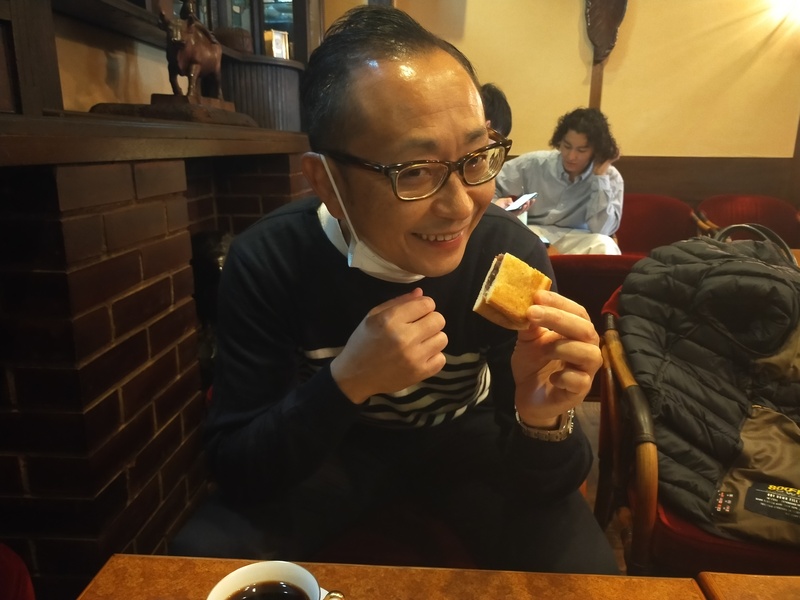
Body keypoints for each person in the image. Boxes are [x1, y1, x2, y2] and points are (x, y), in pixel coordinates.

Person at [170, 5, 619, 575]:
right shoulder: (270, 260)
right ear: (325, 181)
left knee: (587, 574)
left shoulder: (508, 256)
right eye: (414, 170)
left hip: (467, 442)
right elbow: (236, 465)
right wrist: (347, 381)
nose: (460, 206)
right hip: (333, 448)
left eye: (476, 157)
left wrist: (544, 420)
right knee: (198, 560)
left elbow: (545, 485)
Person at [494, 107, 623, 254]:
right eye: (567, 146)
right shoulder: (534, 163)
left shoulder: (611, 178)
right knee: (506, 237)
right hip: (534, 232)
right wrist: (499, 206)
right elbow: (492, 184)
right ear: (559, 141)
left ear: (596, 150)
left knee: (605, 245)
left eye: (581, 150)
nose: (571, 156)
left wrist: (600, 177)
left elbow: (602, 230)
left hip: (576, 238)